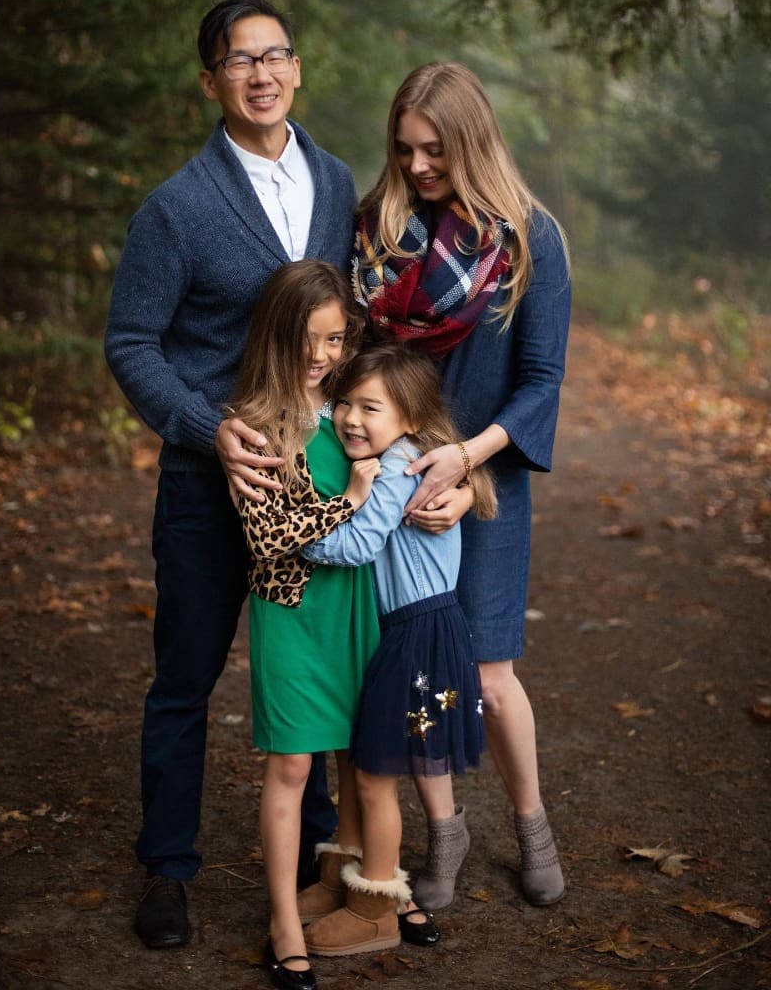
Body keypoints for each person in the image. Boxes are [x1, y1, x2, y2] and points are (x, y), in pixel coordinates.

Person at [104, 0, 355, 950]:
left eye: (276, 55)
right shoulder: (176, 207)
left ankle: (316, 853)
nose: (261, 73)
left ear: (297, 69)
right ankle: (166, 867)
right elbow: (132, 343)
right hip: (211, 485)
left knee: (314, 664)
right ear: (211, 80)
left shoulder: (335, 183)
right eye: (239, 60)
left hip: (314, 483)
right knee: (187, 677)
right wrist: (208, 428)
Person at [352, 62, 572, 910]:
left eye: (434, 151)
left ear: (471, 142)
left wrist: (465, 459)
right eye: (404, 150)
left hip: (485, 478)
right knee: (416, 669)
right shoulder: (377, 230)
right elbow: (363, 366)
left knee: (487, 676)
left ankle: (531, 823)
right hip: (399, 486)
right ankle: (445, 831)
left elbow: (543, 380)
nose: (416, 167)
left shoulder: (529, 239)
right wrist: (391, 463)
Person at [292, 344, 496, 957]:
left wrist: (291, 541)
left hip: (418, 636)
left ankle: (378, 907)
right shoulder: (401, 445)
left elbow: (355, 545)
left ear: (409, 417)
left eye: (370, 408)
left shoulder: (405, 463)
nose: (352, 419)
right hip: (412, 631)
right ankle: (350, 883)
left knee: (377, 775)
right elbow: (320, 415)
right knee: (362, 763)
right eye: (345, 403)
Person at [228, 259, 381, 990]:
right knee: (292, 764)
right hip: (290, 609)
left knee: (359, 757)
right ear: (277, 336)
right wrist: (350, 498)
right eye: (308, 341)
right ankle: (285, 920)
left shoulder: (357, 404)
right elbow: (268, 537)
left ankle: (363, 889)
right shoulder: (253, 423)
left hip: (355, 604)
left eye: (335, 340)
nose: (322, 357)